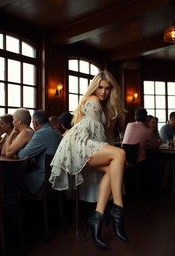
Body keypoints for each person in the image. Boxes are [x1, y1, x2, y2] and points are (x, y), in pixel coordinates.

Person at [49, 70, 128, 248]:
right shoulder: (93, 101)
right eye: (100, 87)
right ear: (94, 87)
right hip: (78, 144)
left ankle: (97, 217)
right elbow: (97, 136)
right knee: (120, 154)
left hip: (87, 143)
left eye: (107, 88)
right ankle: (119, 210)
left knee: (113, 167)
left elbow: (103, 138)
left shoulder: (104, 106)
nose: (103, 92)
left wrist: (113, 156)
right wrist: (114, 154)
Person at [18, 110, 62, 194]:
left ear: (35, 123)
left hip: (44, 178)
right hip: (57, 176)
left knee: (14, 176)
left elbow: (22, 155)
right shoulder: (57, 133)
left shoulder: (41, 133)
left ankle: (17, 205)